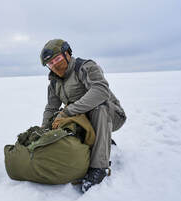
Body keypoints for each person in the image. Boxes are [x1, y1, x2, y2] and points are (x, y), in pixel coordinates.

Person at [40, 39, 127, 192]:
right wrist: (43, 130)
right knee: (59, 119)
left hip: (112, 115)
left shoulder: (85, 67)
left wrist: (67, 111)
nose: (55, 65)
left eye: (57, 59)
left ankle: (99, 167)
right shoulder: (54, 83)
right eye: (50, 64)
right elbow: (51, 107)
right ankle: (99, 139)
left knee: (99, 108)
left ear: (67, 54)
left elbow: (101, 91)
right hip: (85, 117)